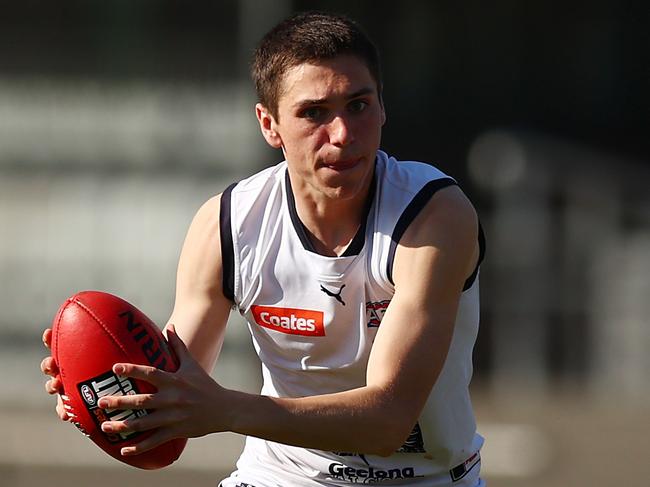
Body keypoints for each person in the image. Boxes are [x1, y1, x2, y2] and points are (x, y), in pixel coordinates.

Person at [41, 11, 486, 487]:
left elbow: (387, 419)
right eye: (314, 113)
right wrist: (106, 390)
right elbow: (177, 383)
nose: (341, 134)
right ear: (269, 125)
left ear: (382, 108)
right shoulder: (228, 224)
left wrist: (227, 409)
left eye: (358, 105)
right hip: (278, 475)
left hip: (427, 479)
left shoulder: (433, 216)